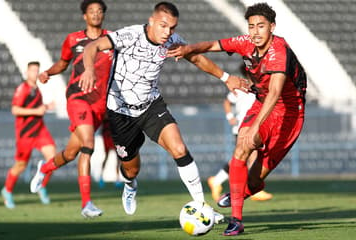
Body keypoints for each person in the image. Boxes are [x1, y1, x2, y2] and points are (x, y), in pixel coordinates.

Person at [79, 1, 248, 221]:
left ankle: (203, 207)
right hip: (120, 113)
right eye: (163, 26)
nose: (167, 32)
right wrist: (89, 70)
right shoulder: (130, 35)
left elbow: (196, 57)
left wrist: (226, 78)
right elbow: (92, 47)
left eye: (172, 27)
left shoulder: (172, 42)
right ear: (152, 21)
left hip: (151, 106)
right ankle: (130, 186)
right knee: (131, 169)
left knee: (179, 148)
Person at [167, 2, 307, 236]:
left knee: (253, 181)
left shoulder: (278, 51)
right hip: (262, 103)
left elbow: (275, 93)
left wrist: (257, 128)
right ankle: (237, 220)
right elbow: (212, 45)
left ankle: (241, 191)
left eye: (261, 26)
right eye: (251, 26)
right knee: (242, 144)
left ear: (272, 27)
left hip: (289, 115)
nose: (255, 32)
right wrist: (188, 49)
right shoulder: (245, 43)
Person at [29, 0, 112, 218]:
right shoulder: (73, 39)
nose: (95, 14)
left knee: (70, 153)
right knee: (89, 144)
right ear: (84, 16)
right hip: (78, 97)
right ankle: (86, 204)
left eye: (99, 11)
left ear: (103, 15)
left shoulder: (111, 39)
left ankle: (45, 168)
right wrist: (47, 72)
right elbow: (63, 63)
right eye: (91, 11)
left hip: (100, 104)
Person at [207, 65, 273, 203]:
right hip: (243, 128)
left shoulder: (260, 87)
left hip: (254, 127)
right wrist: (230, 115)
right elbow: (227, 101)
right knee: (250, 156)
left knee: (241, 157)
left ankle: (216, 180)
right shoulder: (242, 86)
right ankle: (253, 189)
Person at [1, 61, 56, 209]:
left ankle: (41, 186)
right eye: (32, 70)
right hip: (25, 133)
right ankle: (7, 191)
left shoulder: (36, 89)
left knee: (53, 159)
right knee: (21, 165)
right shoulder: (22, 89)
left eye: (37, 70)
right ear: (26, 72)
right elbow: (15, 110)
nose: (35, 73)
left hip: (39, 130)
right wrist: (36, 111)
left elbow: (36, 107)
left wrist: (46, 107)